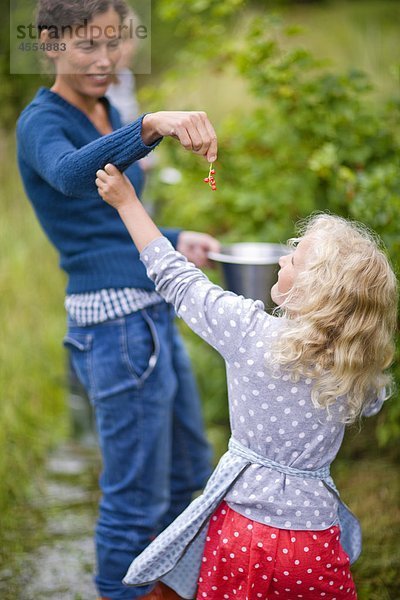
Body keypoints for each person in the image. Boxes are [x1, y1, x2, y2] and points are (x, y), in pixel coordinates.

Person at [95, 163, 398, 600]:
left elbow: (176, 279)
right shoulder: (357, 367)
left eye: (293, 256)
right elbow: (369, 402)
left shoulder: (251, 333)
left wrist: (127, 202)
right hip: (313, 541)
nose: (281, 258)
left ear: (315, 289)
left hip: (241, 535)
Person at [16, 1, 219, 599]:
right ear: (49, 45)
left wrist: (178, 240)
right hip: (113, 329)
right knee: (134, 502)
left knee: (188, 473)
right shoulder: (40, 122)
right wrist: (152, 123)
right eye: (86, 46)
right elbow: (75, 177)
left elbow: (104, 223)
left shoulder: (103, 106)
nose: (105, 60)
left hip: (150, 315)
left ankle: (171, 587)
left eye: (115, 42)